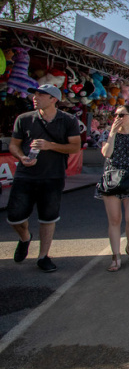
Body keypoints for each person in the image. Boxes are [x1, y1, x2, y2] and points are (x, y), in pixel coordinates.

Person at [7, 84, 81, 272]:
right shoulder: (24, 119)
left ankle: (43, 256)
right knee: (14, 217)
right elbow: (14, 145)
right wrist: (21, 157)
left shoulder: (68, 120)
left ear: (53, 99)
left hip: (53, 176)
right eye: (35, 95)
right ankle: (25, 238)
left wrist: (50, 145)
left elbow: (75, 147)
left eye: (41, 95)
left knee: (48, 218)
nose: (35, 98)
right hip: (25, 175)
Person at [97, 105, 129, 271]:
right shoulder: (107, 134)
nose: (118, 118)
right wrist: (112, 133)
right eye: (116, 115)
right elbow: (107, 153)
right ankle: (115, 256)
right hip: (112, 179)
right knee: (114, 220)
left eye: (122, 115)